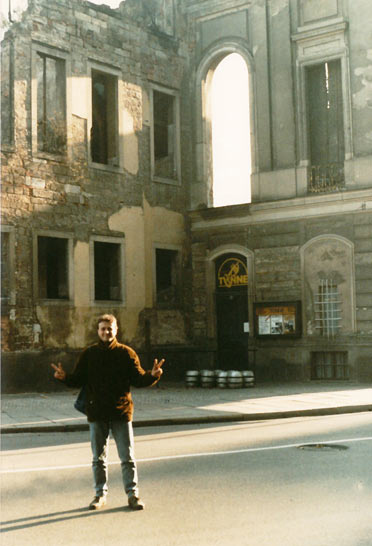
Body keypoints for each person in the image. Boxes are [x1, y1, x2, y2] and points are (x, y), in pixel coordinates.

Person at [51, 314, 164, 511]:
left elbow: (138, 379)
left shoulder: (127, 353)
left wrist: (152, 376)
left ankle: (133, 495)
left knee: (127, 458)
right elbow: (77, 379)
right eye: (103, 328)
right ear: (98, 331)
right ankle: (99, 495)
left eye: (110, 328)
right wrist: (64, 377)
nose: (106, 332)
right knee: (98, 459)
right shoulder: (89, 354)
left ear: (116, 330)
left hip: (121, 412)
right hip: (97, 413)